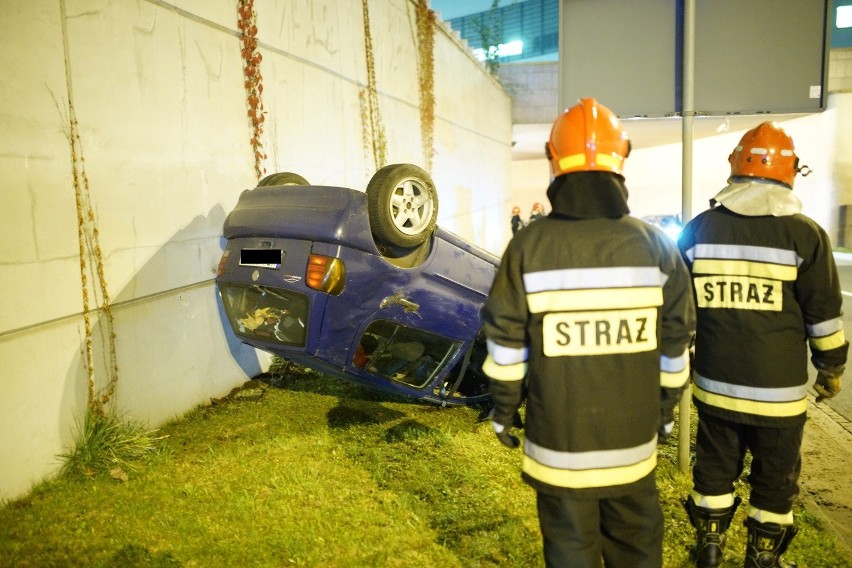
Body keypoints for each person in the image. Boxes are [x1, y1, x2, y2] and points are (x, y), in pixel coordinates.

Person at [482, 97, 696, 567]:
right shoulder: (657, 247)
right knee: (636, 551)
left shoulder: (529, 247)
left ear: (552, 158)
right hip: (633, 447)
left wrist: (503, 411)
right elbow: (676, 344)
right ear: (623, 159)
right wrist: (661, 414)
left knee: (571, 554)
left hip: (559, 450)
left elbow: (505, 341)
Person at [678, 121, 848, 568]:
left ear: (735, 166)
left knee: (714, 468)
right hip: (780, 397)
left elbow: (679, 308)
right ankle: (763, 557)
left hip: (716, 387)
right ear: (790, 171)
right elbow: (824, 316)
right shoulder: (805, 236)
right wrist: (830, 368)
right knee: (775, 477)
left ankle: (709, 549)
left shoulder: (698, 230)